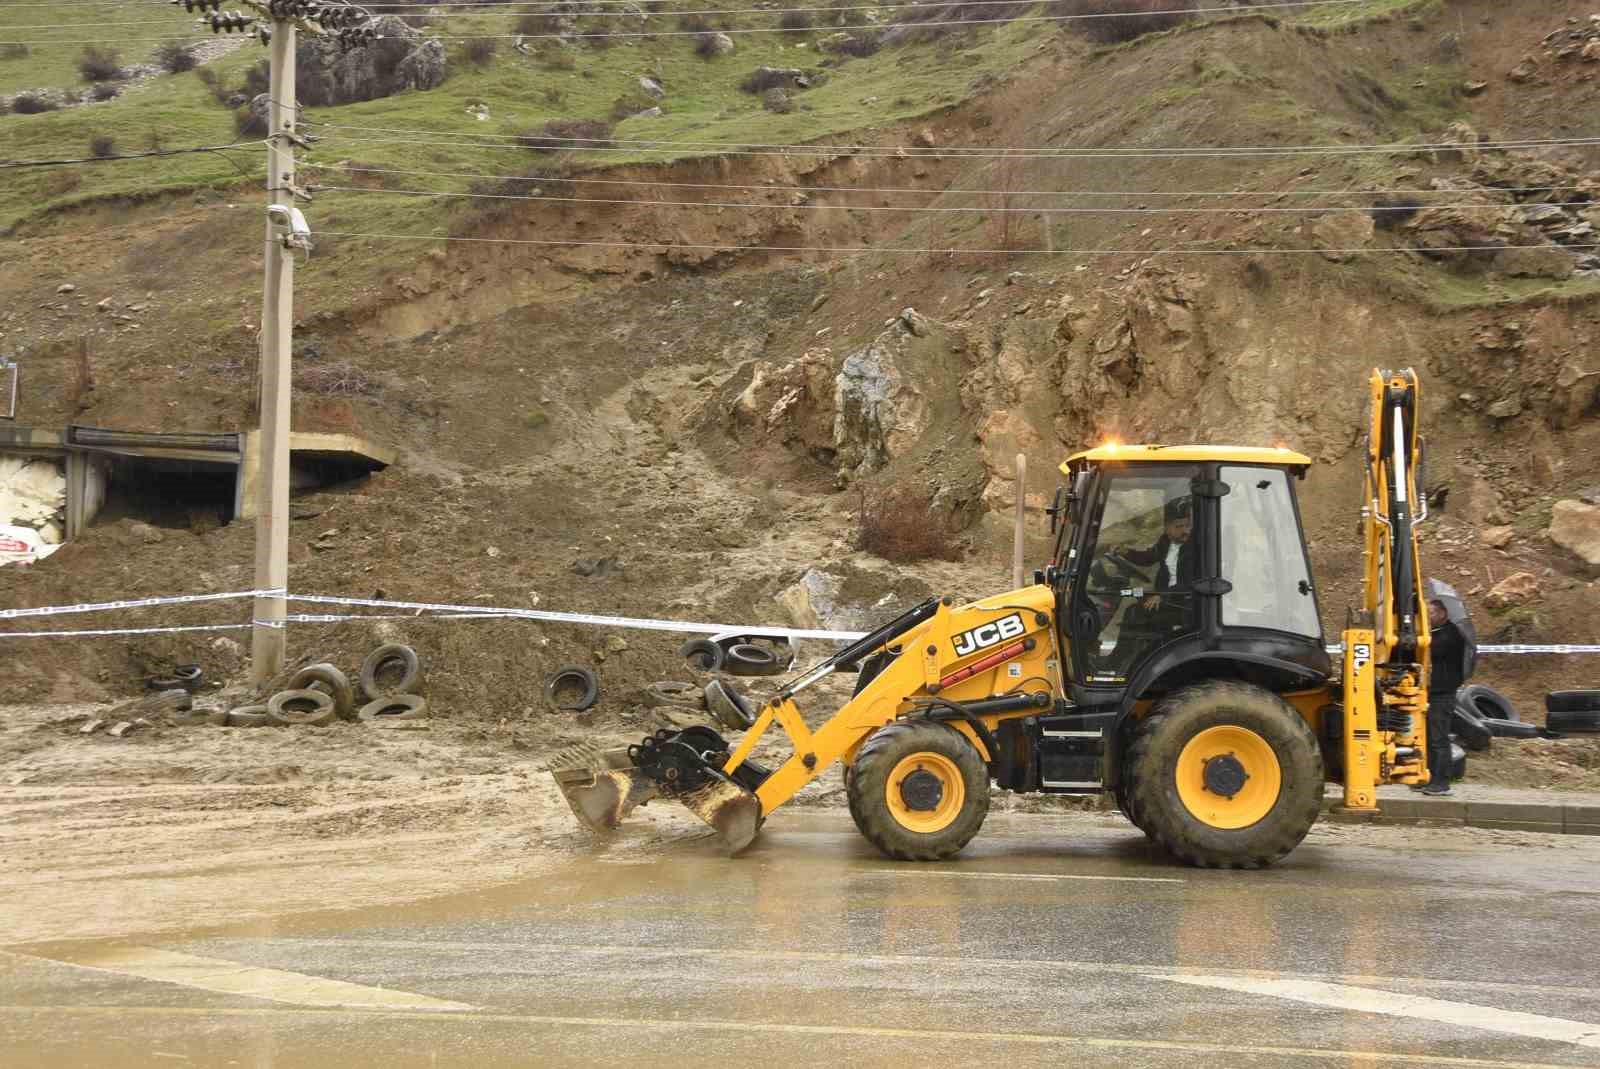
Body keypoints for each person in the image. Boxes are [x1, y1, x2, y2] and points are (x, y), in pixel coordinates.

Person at [1105, 496, 1195, 670]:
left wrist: (1162, 595)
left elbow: (1194, 581)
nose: (1185, 531)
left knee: (1134, 613)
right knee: (1132, 601)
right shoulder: (1165, 541)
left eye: (1187, 525)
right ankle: (1128, 660)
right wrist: (1124, 551)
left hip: (1185, 604)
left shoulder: (1195, 546)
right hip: (1166, 599)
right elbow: (1148, 558)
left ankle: (1116, 664)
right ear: (1167, 528)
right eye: (1179, 526)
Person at [1423, 595, 1468, 796]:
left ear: (1442, 614)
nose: (1427, 617)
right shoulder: (1439, 632)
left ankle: (1442, 781)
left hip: (1443, 694)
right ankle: (1430, 777)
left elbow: (1432, 649)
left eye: (1431, 613)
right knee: (1430, 737)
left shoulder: (1451, 635)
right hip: (1433, 692)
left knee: (1439, 738)